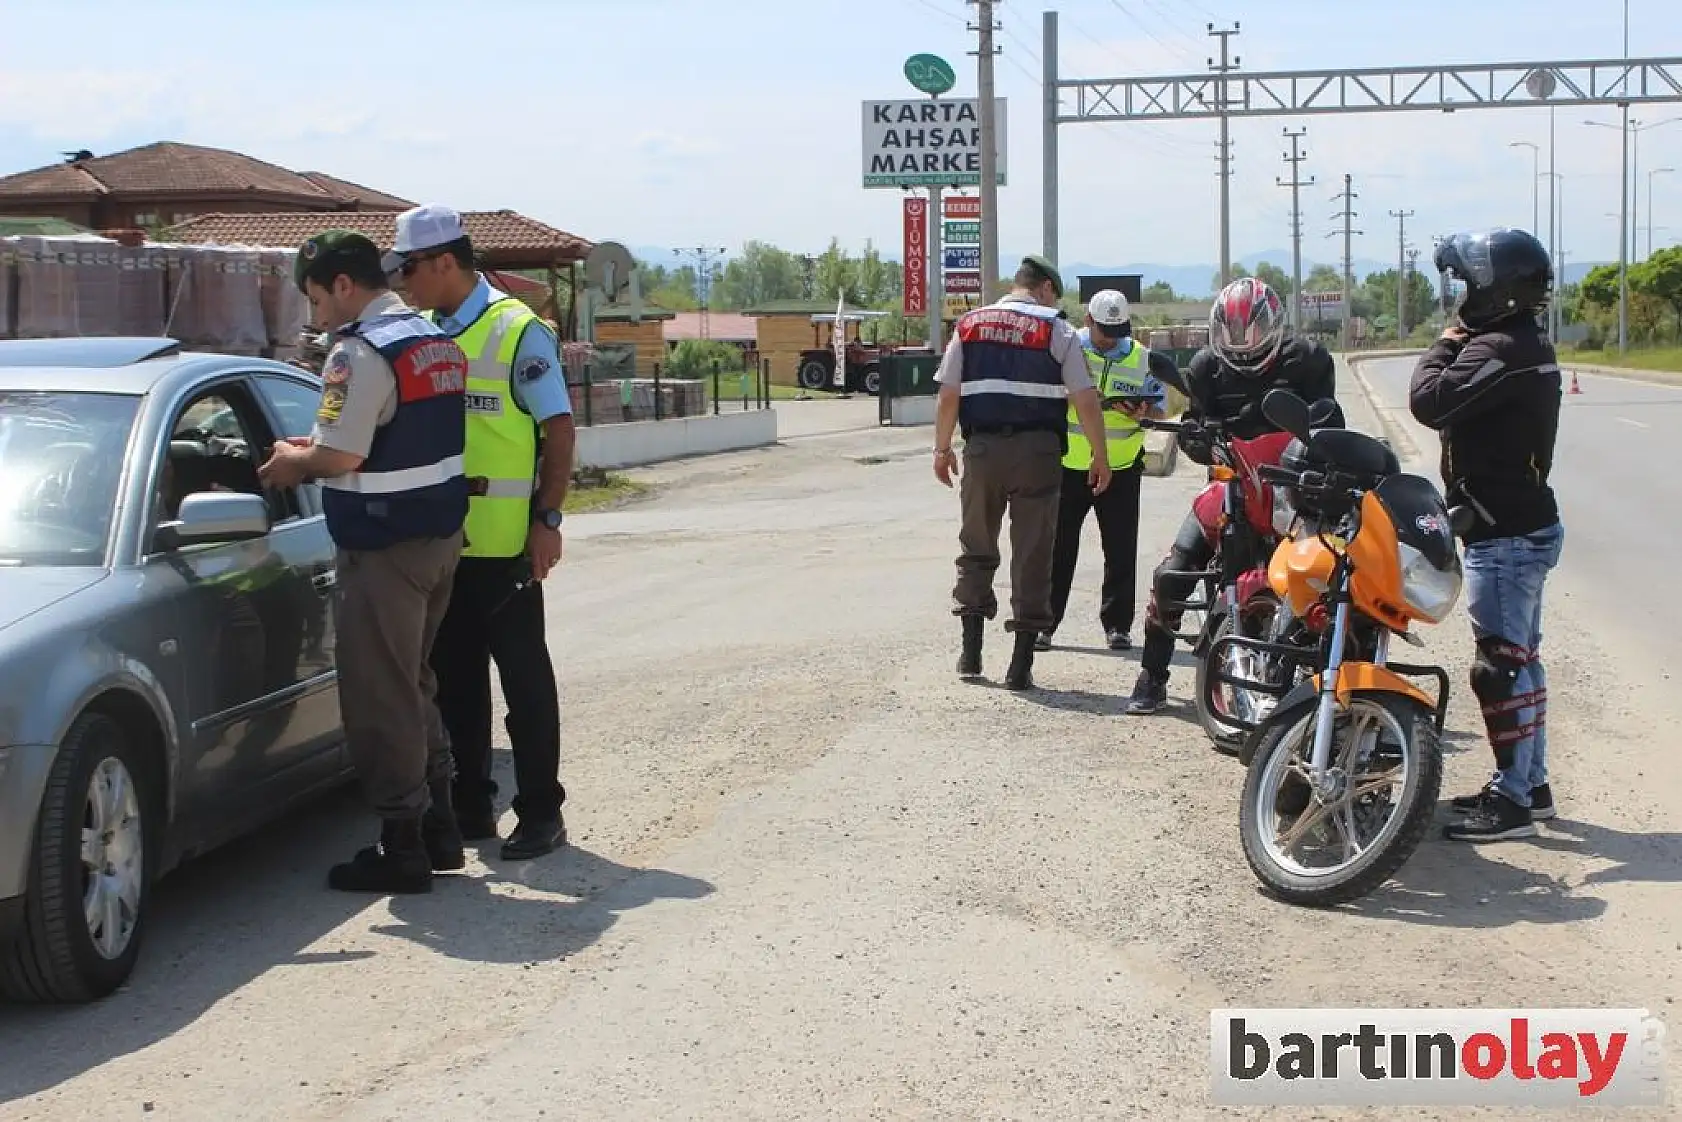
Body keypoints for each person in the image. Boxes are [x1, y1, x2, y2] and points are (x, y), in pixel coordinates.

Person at [259, 230, 470, 893]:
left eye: (318, 298)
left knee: (382, 697)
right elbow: (388, 435)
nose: (317, 315)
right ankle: (440, 826)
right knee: (413, 683)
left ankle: (402, 844)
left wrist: (296, 461)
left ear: (344, 286)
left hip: (384, 548)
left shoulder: (359, 351)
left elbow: (342, 457)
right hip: (437, 539)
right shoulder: (430, 338)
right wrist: (324, 442)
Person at [384, 204, 576, 861]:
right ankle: (472, 809)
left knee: (524, 684)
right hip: (443, 545)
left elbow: (557, 430)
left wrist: (547, 519)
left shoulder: (516, 331)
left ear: (444, 262)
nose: (404, 282)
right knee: (457, 686)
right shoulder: (423, 333)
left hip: (508, 549)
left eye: (409, 268)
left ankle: (541, 812)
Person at [1409, 228, 1563, 843]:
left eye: (1470, 284)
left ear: (1495, 291)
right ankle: (1532, 785)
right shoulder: (1523, 341)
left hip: (1505, 536)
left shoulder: (1498, 347)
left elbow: (1428, 400)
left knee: (1497, 668)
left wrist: (1446, 343)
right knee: (1521, 662)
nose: (1461, 297)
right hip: (1521, 525)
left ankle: (1513, 803)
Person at [1124, 276, 1337, 716]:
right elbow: (1196, 425)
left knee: (1336, 576)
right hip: (1233, 481)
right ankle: (1152, 675)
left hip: (1295, 489)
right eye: (1233, 334)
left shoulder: (1309, 360)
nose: (1243, 342)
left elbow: (1330, 421)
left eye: (1252, 332)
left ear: (1274, 325)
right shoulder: (1206, 367)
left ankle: (1340, 679)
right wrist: (1194, 437)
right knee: (1174, 572)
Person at [932, 255, 1112, 690]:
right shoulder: (1056, 328)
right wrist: (1100, 455)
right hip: (1038, 452)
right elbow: (1085, 399)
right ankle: (1020, 665)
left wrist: (941, 449)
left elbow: (949, 394)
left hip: (982, 449)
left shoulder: (971, 324)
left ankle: (971, 653)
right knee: (1032, 553)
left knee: (976, 544)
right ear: (1046, 288)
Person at [1037, 290, 1173, 653]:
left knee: (1120, 549)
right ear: (1088, 321)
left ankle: (1117, 626)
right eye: (1104, 329)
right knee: (1059, 548)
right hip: (1070, 465)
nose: (1111, 337)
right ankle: (1045, 624)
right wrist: (1079, 398)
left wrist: (1143, 412)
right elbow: (1044, 394)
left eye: (1118, 329)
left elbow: (1161, 409)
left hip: (1123, 467)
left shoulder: (1141, 357)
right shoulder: (1067, 349)